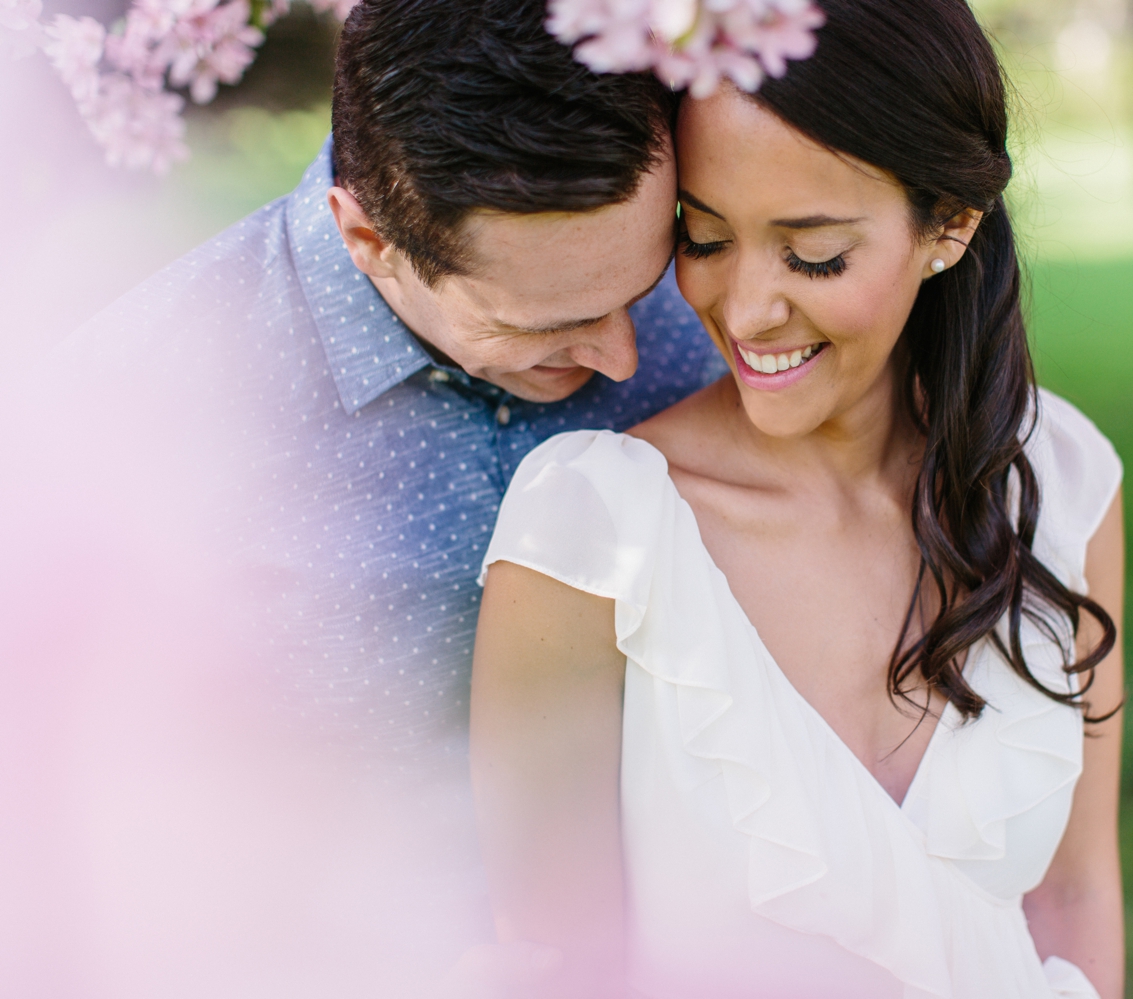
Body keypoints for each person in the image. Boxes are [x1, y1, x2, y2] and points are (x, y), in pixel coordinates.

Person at [8, 0, 721, 993]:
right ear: (369, 239)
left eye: (641, 290)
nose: (631, 356)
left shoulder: (725, 294)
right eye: (550, 325)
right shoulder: (138, 432)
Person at [470, 0, 1127, 997]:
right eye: (705, 237)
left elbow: (1074, 894)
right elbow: (554, 958)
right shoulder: (591, 531)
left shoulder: (1063, 475)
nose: (745, 308)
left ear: (950, 225)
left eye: (812, 251)